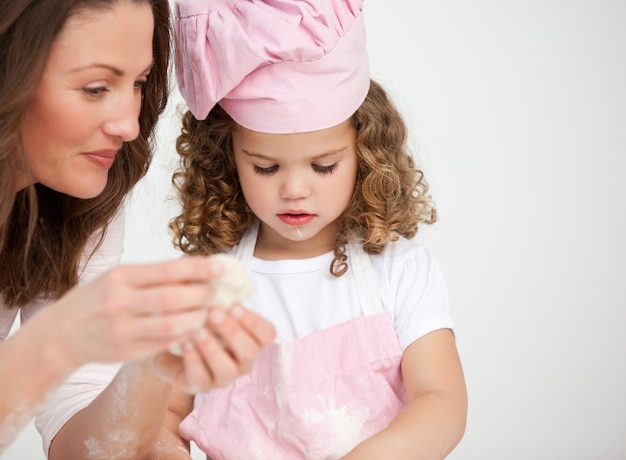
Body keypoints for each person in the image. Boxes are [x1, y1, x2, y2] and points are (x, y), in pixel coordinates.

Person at [156, 0, 468, 458]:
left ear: (364, 153)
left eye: (323, 166)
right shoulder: (204, 282)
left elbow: (442, 403)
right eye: (265, 168)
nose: (294, 190)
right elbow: (164, 415)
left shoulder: (400, 272)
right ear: (227, 157)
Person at [0, 0, 275, 456]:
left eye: (139, 83)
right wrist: (59, 338)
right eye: (95, 88)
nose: (129, 124)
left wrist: (156, 366)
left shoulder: (77, 197)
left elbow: (83, 443)